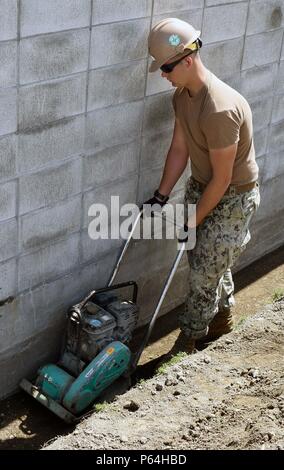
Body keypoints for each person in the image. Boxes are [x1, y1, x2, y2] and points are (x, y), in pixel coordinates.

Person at [143, 18, 260, 356]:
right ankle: (223, 317)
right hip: (202, 187)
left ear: (188, 59)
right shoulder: (183, 97)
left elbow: (223, 180)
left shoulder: (220, 109)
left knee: (202, 274)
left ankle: (188, 340)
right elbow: (180, 148)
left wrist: (191, 221)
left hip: (233, 199)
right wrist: (161, 195)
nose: (163, 75)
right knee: (204, 263)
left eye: (166, 67)